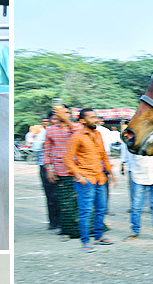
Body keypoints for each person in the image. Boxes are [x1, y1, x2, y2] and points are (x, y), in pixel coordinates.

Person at [64, 108, 114, 253]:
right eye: (92, 117)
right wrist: (79, 175)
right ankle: (85, 241)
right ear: (82, 121)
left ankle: (98, 237)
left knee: (101, 208)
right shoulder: (76, 136)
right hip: (86, 180)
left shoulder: (98, 134)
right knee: (85, 211)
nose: (95, 119)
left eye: (96, 117)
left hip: (100, 178)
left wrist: (110, 172)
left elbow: (103, 154)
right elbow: (67, 159)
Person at [42, 103, 80, 240]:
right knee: (64, 203)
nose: (64, 115)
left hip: (78, 171)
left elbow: (80, 134)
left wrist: (67, 120)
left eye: (66, 112)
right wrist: (49, 169)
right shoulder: (51, 130)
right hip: (60, 170)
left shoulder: (77, 128)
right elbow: (46, 151)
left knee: (79, 201)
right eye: (60, 113)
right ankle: (67, 231)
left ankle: (82, 230)